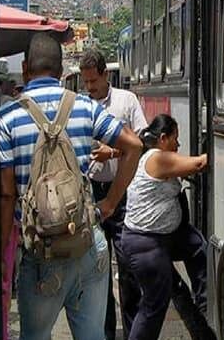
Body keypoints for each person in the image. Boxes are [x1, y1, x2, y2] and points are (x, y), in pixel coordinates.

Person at [0, 33, 142, 340]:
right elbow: (133, 145)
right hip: (87, 243)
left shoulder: (8, 118)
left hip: (40, 253)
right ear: (62, 70)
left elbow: (7, 194)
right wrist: (110, 203)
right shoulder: (85, 107)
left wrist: (1, 255)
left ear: (24, 68)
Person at [79, 49, 147, 340]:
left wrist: (115, 152)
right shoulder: (81, 105)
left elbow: (143, 139)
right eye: (86, 82)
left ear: (105, 75)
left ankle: (132, 332)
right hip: (91, 192)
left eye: (93, 81)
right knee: (98, 271)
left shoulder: (126, 101)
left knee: (128, 267)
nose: (90, 87)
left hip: (122, 193)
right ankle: (106, 333)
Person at [122, 114, 208, 340]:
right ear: (162, 138)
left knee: (196, 245)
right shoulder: (157, 158)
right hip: (146, 245)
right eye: (175, 139)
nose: (178, 144)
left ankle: (205, 303)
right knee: (153, 306)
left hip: (161, 239)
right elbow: (199, 163)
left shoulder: (155, 157)